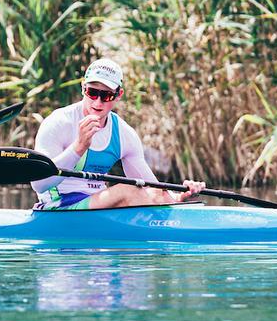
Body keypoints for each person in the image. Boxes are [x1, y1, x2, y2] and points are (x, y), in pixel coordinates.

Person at [32, 58, 205, 210]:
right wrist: (78, 147)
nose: (97, 102)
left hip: (97, 205)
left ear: (118, 95)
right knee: (127, 190)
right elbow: (39, 184)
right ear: (83, 88)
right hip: (58, 205)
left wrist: (180, 197)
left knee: (140, 191)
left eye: (106, 95)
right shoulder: (59, 123)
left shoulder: (124, 134)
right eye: (92, 92)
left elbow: (153, 189)